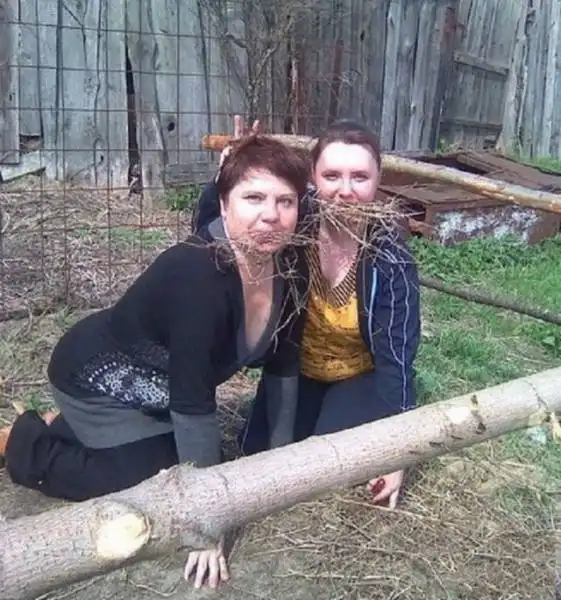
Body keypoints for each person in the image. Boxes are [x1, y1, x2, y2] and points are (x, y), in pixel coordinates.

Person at [0, 135, 312, 589]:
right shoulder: (198, 276)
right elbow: (193, 402)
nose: (271, 214)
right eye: (254, 198)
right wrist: (205, 527)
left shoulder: (291, 266)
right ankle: (25, 442)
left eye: (286, 201)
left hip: (162, 387)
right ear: (223, 204)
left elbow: (284, 364)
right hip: (99, 377)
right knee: (148, 477)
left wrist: (280, 460)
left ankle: (70, 429)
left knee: (188, 457)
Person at [194, 118, 421, 510]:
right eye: (332, 176)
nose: (345, 190)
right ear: (313, 177)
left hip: (357, 376)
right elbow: (218, 237)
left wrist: (396, 451)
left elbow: (397, 359)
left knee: (322, 464)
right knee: (257, 455)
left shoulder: (390, 260)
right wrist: (230, 177)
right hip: (294, 369)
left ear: (377, 180)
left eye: (359, 177)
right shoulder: (293, 226)